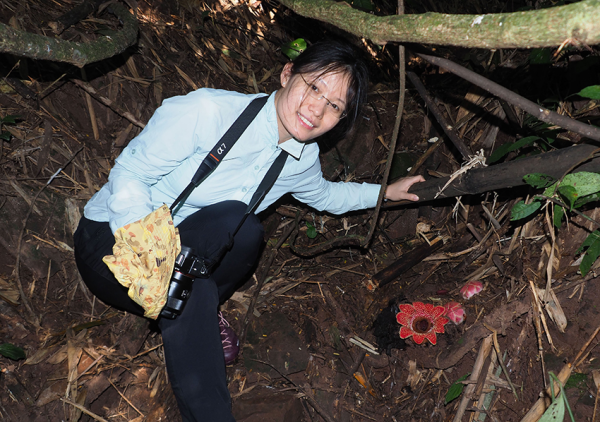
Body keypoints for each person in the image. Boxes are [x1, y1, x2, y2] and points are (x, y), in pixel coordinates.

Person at [73, 39, 424, 421]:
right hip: (112, 242)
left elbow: (326, 195)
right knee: (194, 288)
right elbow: (130, 173)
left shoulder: (301, 158)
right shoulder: (208, 112)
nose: (317, 108)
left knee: (243, 229)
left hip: (182, 243)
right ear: (287, 74)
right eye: (313, 87)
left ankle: (193, 304)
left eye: (334, 105)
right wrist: (151, 255)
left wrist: (386, 192)